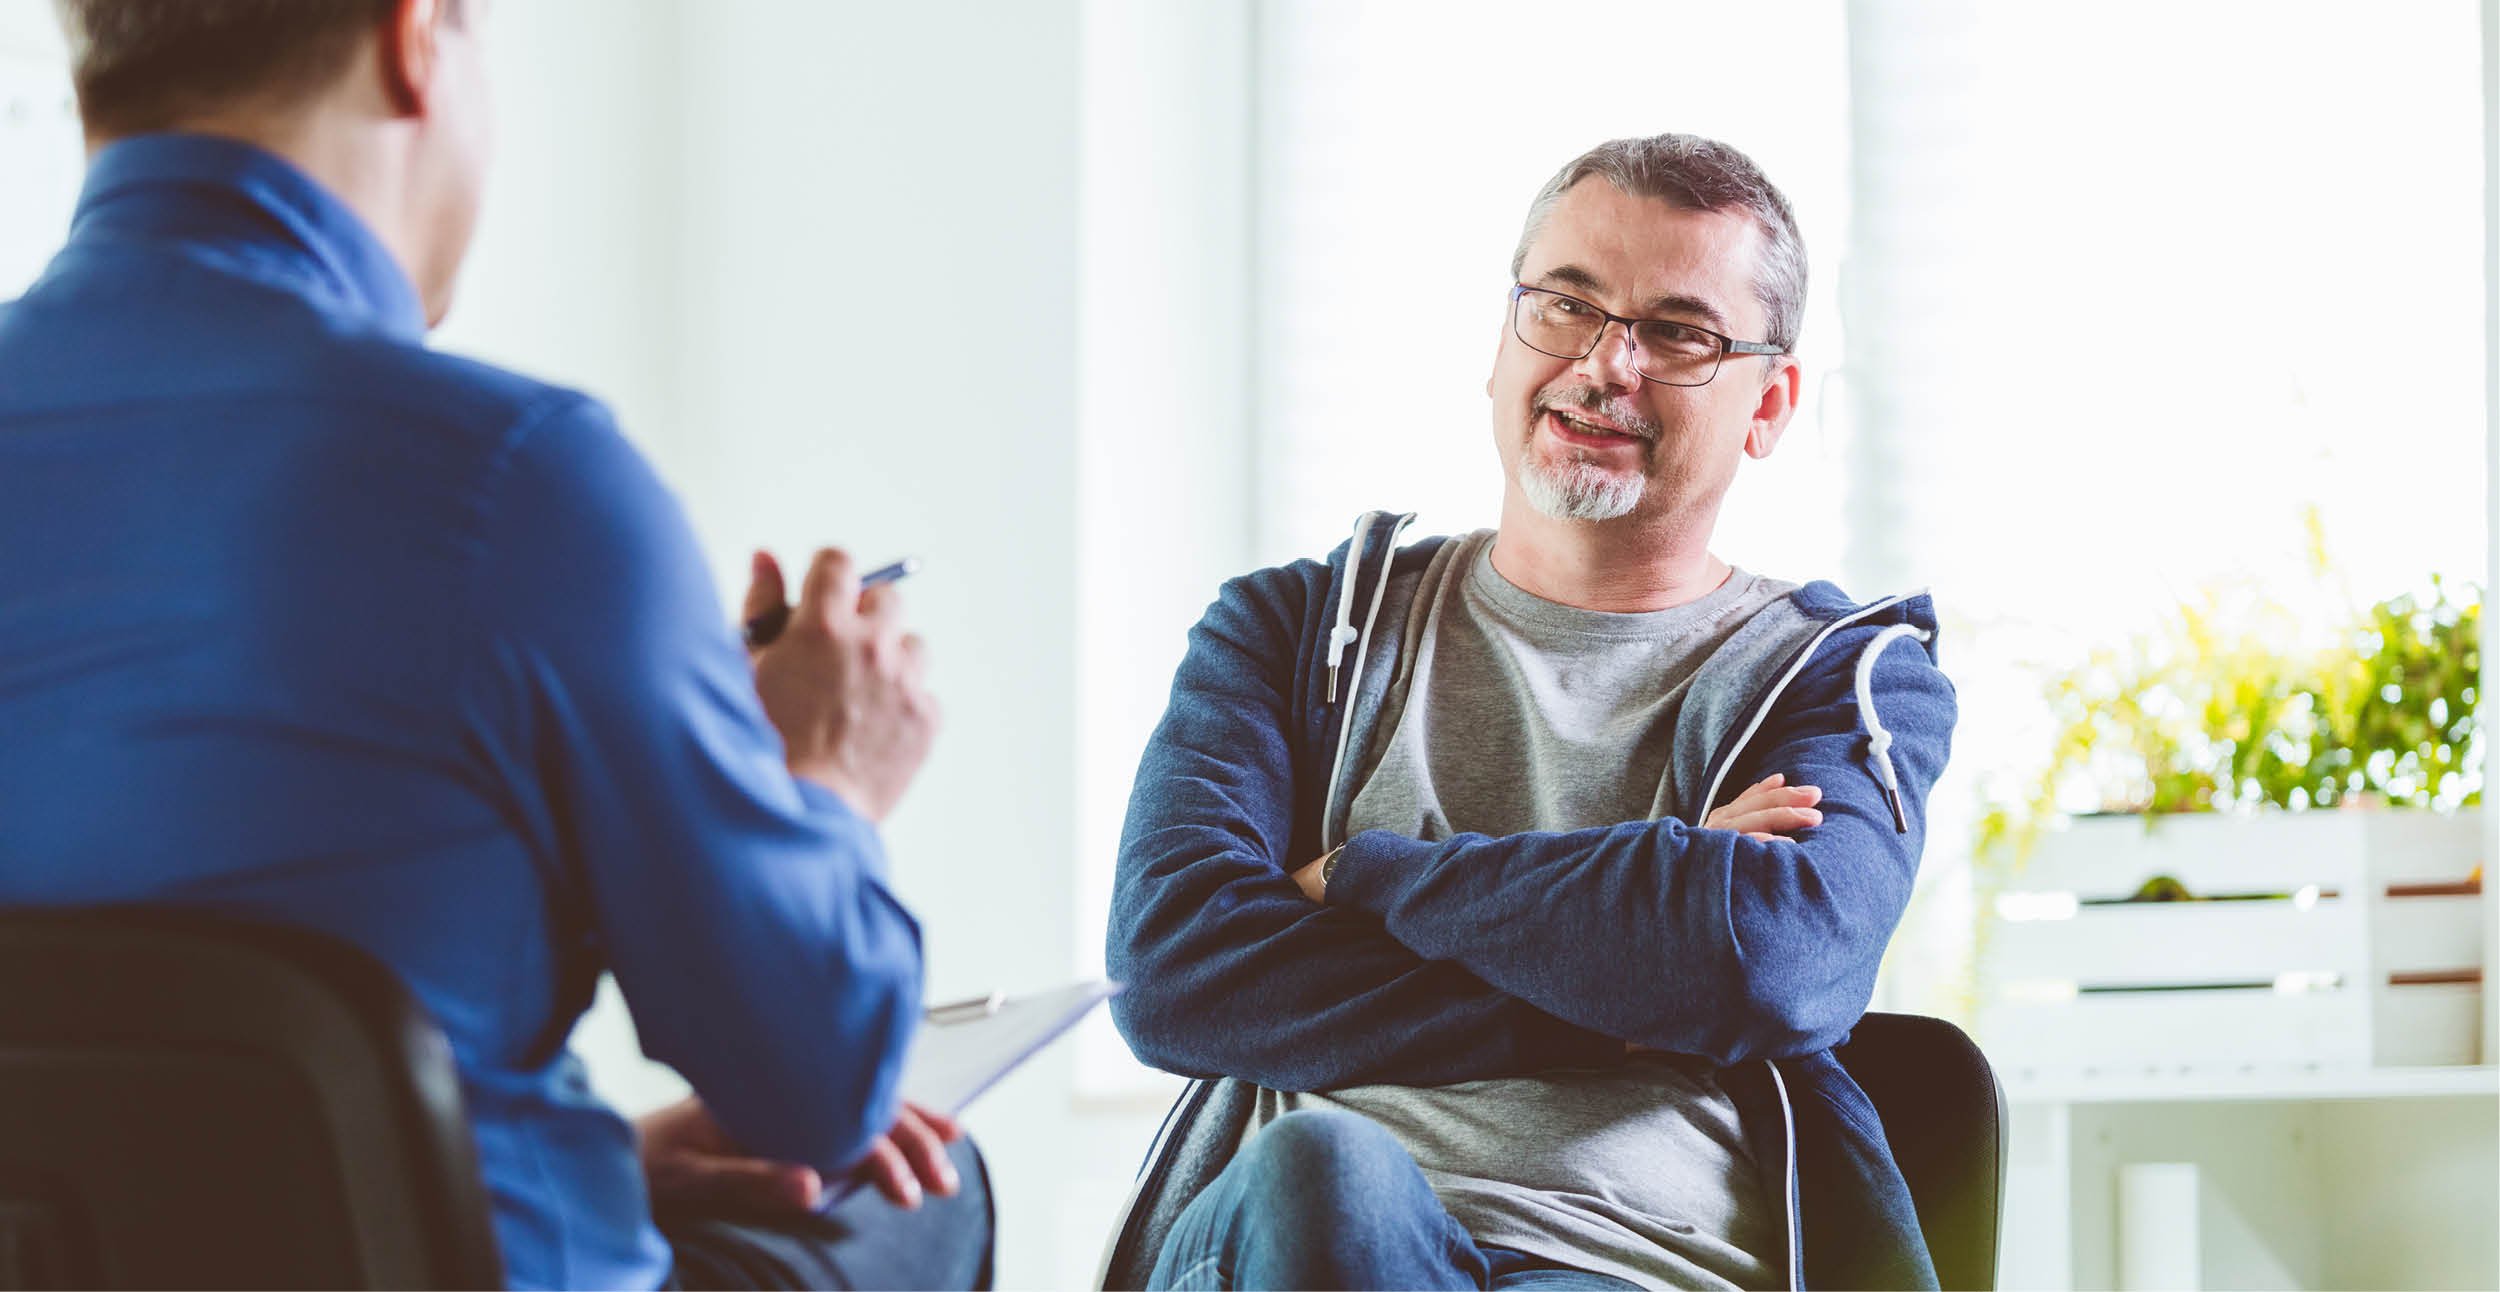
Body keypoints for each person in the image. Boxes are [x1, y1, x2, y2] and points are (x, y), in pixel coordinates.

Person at [0, 1, 990, 1287]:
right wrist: (828, 777)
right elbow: (813, 1086)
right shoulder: (516, 483)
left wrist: (587, 1151)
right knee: (917, 1198)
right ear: (418, 39)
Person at [1107, 133, 1958, 1291]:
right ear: (1505, 335)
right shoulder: (1290, 633)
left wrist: (1362, 874)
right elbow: (1174, 969)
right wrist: (1631, 966)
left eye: (1677, 332)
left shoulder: (1842, 675)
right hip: (1293, 1245)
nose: (1607, 364)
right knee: (1327, 1170)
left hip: (1628, 1263)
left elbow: (1770, 961)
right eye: (1566, 304)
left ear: (1771, 402)